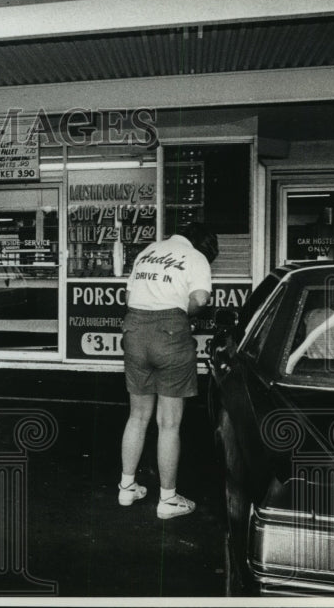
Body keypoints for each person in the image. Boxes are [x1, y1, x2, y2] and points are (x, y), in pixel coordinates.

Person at [118, 222, 218, 520]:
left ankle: (126, 487)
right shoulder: (195, 257)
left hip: (135, 329)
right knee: (169, 422)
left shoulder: (147, 251)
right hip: (171, 333)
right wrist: (177, 314)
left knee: (137, 416)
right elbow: (200, 299)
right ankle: (168, 500)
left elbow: (127, 297)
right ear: (204, 245)